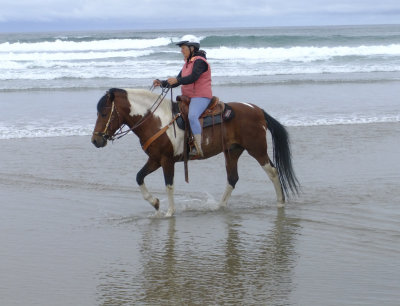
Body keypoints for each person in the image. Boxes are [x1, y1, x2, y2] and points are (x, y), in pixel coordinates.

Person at [153, 35, 212, 157]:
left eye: (183, 48)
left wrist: (177, 81)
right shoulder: (187, 63)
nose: (181, 51)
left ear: (192, 48)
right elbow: (178, 80)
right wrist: (162, 83)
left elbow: (193, 77)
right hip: (187, 97)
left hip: (200, 96)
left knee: (192, 116)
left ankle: (197, 146)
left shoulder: (200, 62)